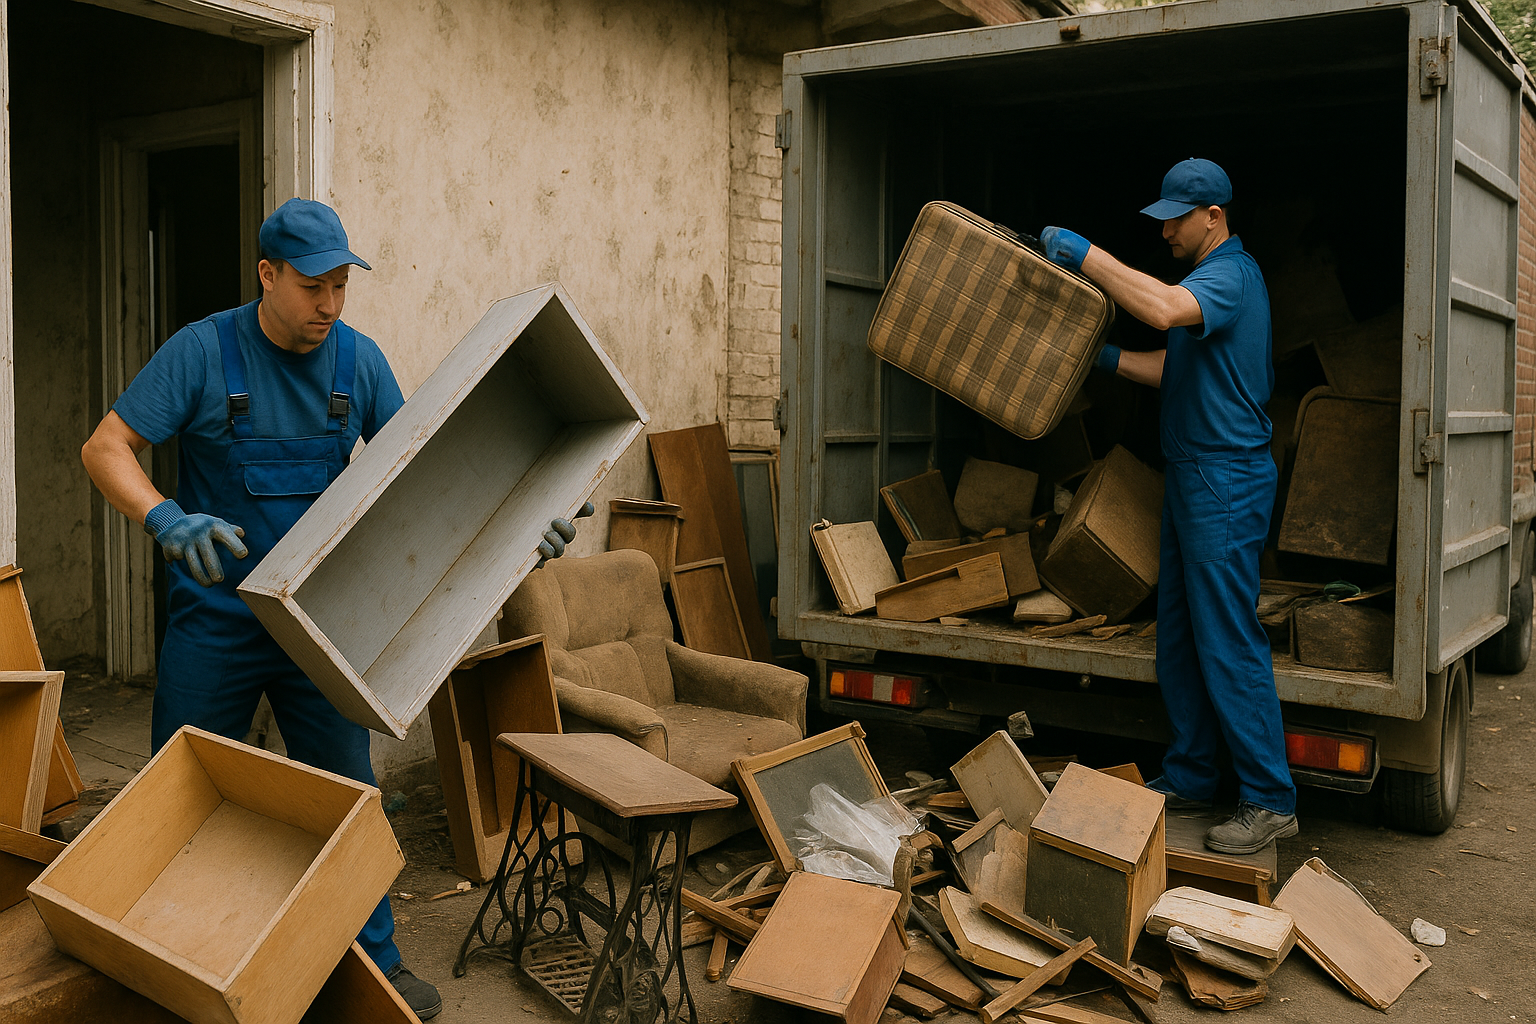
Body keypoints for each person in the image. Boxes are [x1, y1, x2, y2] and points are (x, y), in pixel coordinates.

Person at [81, 198, 584, 1019]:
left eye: (343, 285)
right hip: (218, 622)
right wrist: (166, 518)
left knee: (348, 797)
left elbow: (432, 478)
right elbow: (106, 447)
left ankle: (370, 968)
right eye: (314, 286)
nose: (331, 305)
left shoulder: (360, 364)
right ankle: (167, 964)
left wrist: (525, 524)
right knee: (175, 800)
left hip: (322, 626)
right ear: (267, 275)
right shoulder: (201, 353)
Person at [1038, 158, 1298, 855]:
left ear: (1214, 216)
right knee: (1180, 636)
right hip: (1192, 476)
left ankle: (1270, 798)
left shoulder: (1230, 276)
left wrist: (1086, 254)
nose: (1168, 231)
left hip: (1226, 479)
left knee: (1227, 637)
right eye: (1164, 218)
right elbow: (1167, 365)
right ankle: (1189, 774)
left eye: (1177, 218)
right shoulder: (1202, 286)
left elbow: (1158, 307)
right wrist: (1105, 357)